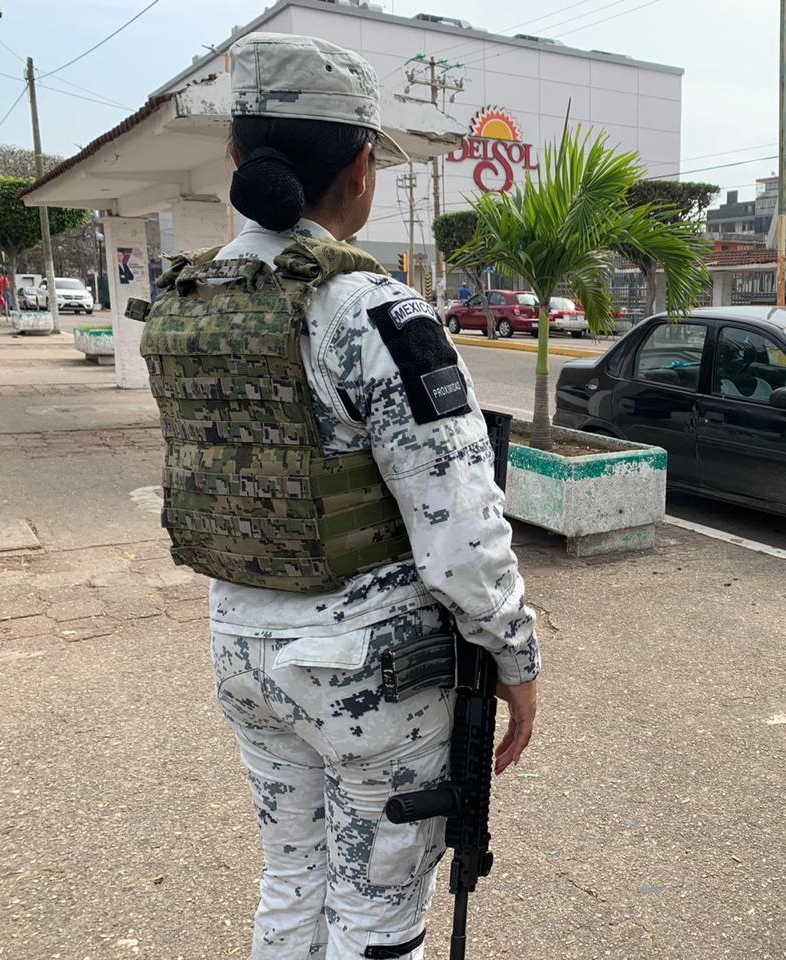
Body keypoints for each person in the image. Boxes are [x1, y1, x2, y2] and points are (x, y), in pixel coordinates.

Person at [138, 33, 540, 960]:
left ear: (236, 156)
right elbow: (460, 529)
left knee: (292, 883)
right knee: (376, 915)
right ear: (361, 167)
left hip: (241, 647)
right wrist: (515, 656)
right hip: (368, 671)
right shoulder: (375, 313)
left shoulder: (186, 298)